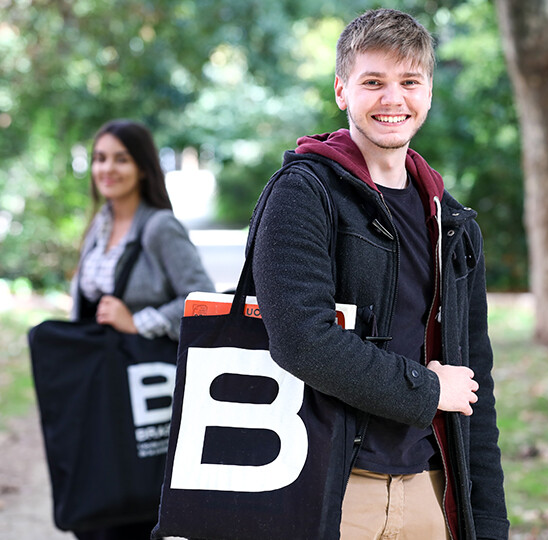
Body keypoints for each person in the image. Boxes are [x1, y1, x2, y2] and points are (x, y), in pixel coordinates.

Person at [251, 8, 509, 540]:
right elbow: (302, 341)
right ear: (343, 91)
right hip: (327, 489)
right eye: (374, 82)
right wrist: (426, 388)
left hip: (428, 491)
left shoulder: (452, 221)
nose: (393, 99)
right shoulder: (303, 193)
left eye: (409, 82)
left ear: (429, 92)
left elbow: (473, 381)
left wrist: (487, 521)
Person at [69, 119, 215, 540]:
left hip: (146, 386)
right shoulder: (99, 225)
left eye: (121, 159)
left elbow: (202, 298)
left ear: (144, 169)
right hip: (105, 384)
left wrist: (139, 322)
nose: (106, 169)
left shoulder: (159, 228)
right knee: (97, 493)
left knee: (132, 497)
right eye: (99, 159)